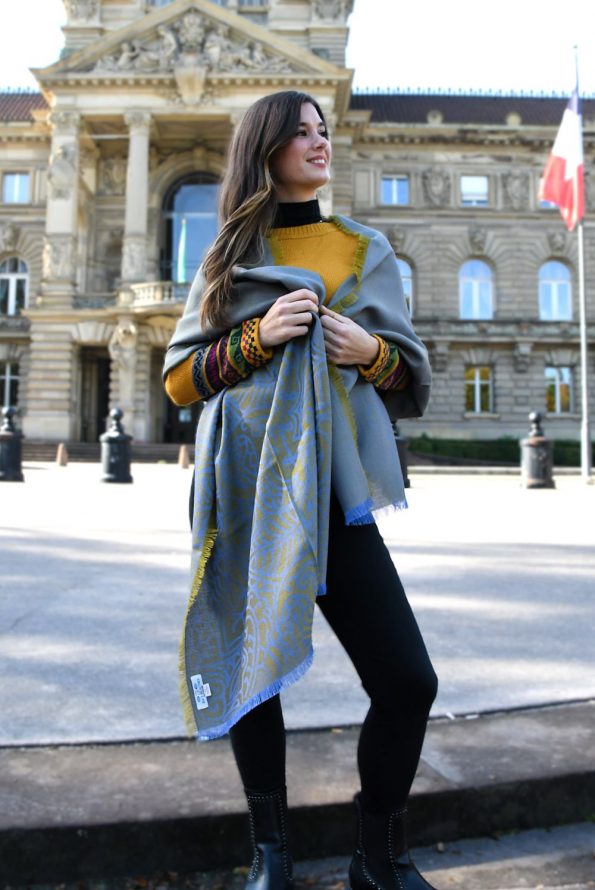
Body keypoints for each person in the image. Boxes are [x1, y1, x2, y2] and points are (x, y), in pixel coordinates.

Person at [163, 90, 438, 890]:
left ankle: (378, 858)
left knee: (407, 681)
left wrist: (366, 353)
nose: (320, 143)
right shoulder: (226, 258)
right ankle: (270, 856)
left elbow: (409, 376)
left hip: (334, 496)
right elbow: (180, 380)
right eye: (301, 133)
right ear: (266, 149)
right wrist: (255, 338)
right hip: (248, 492)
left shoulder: (361, 248)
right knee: (252, 675)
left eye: (324, 131)